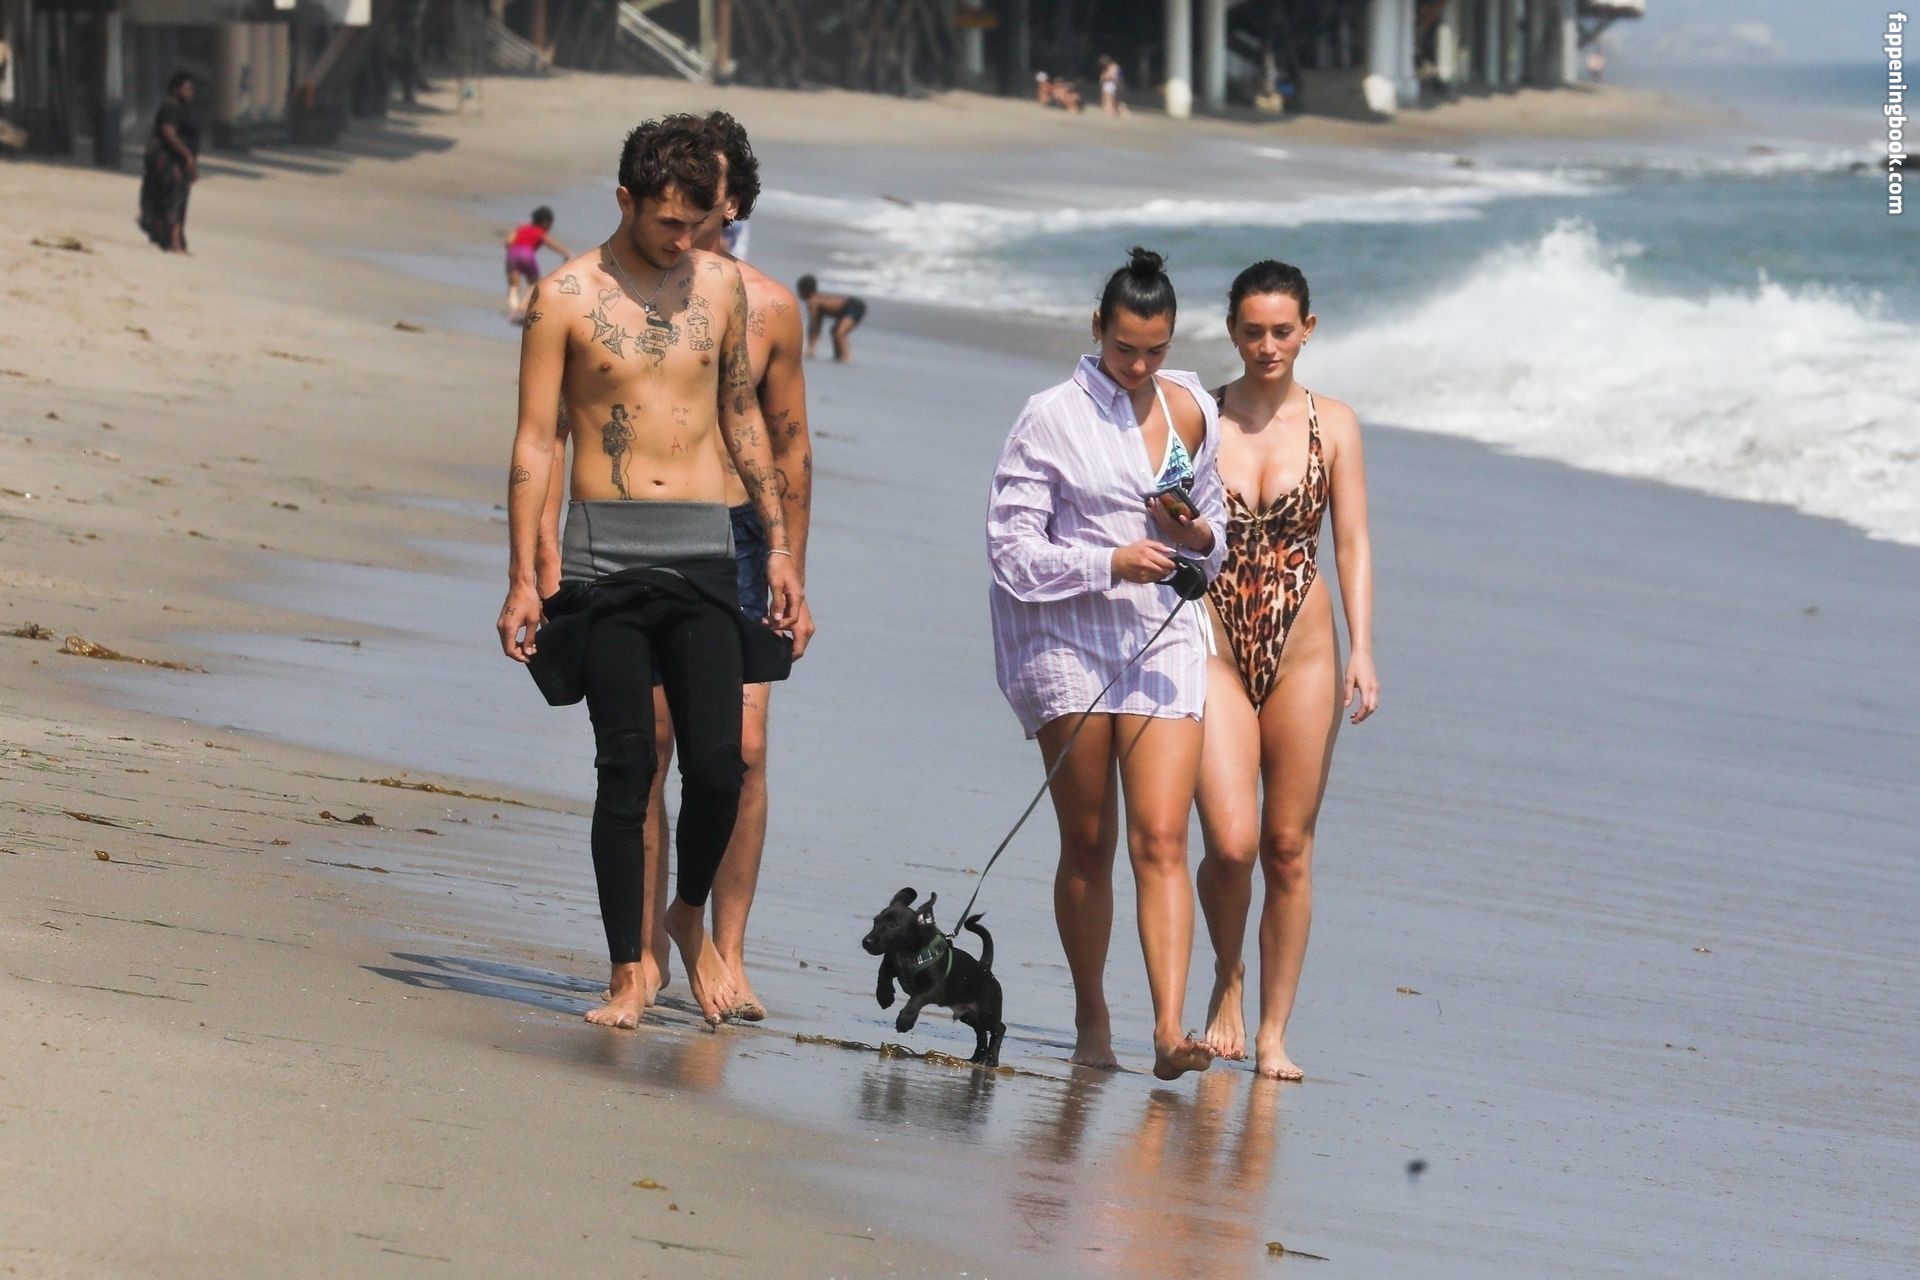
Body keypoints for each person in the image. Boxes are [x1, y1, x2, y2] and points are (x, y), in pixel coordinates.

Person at [497, 114, 803, 1032]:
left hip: (705, 552)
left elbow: (744, 417)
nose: (683, 238)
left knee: (720, 766)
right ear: (626, 200)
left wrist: (779, 547)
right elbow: (534, 440)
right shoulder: (562, 297)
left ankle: (687, 914)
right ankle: (630, 972)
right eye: (668, 221)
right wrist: (523, 575)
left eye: (697, 222)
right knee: (627, 765)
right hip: (604, 558)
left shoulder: (722, 288)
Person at [986, 247, 1225, 1081]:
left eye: (1155, 350)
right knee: (1089, 838)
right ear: (1097, 328)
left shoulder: (1190, 407)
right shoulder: (1048, 416)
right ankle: (1092, 1015)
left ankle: (1169, 1029)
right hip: (1066, 639)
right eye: (1125, 348)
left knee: (1162, 835)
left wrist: (1195, 534)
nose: (1139, 366)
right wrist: (1109, 562)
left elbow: (1215, 534)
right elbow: (1012, 550)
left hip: (1161, 636)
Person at [1192, 261, 1378, 1081]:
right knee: (1232, 844)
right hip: (1213, 641)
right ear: (1232, 332)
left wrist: (1363, 648)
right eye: (1252, 331)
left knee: (1288, 847)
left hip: (1303, 643)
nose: (1267, 346)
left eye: (1281, 331)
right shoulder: (1200, 415)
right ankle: (1226, 976)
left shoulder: (1333, 424)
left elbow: (1352, 543)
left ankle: (1272, 1033)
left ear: (1308, 329)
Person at [138, 71, 200, 254]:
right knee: (172, 201)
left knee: (179, 202)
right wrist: (187, 156)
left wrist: (190, 161)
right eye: (186, 88)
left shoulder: (184, 110)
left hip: (180, 162)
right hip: (169, 162)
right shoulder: (170, 109)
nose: (190, 92)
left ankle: (178, 241)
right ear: (175, 89)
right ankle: (173, 242)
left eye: (192, 88)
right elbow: (169, 134)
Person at [504, 206, 570, 322]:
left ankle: (513, 310)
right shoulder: (540, 232)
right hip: (527, 255)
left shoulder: (521, 228)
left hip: (512, 255)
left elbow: (508, 241)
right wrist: (566, 253)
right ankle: (523, 308)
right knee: (535, 283)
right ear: (545, 222)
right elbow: (552, 244)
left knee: (513, 285)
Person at [796, 276, 867, 363]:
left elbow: (813, 325)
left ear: (804, 291)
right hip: (847, 309)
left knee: (840, 333)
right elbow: (817, 325)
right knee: (834, 331)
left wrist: (811, 349)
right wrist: (812, 349)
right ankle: (839, 356)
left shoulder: (813, 302)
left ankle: (847, 357)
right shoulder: (818, 298)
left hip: (853, 307)